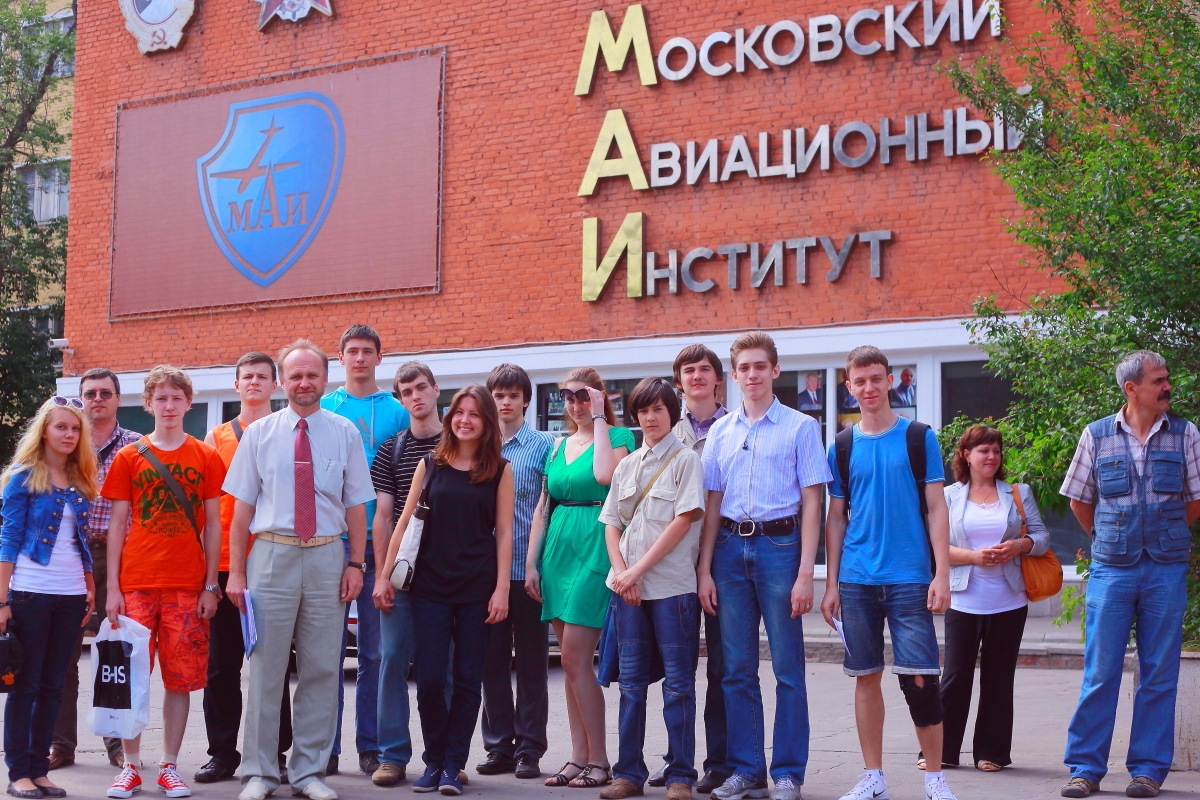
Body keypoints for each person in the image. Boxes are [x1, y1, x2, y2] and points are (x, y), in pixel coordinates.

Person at [223, 340, 374, 800]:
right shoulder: (260, 434)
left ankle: (309, 772)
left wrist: (356, 563)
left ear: (324, 379)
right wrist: (235, 573)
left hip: (328, 556)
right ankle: (260, 773)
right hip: (271, 555)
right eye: (295, 376)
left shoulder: (345, 432)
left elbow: (356, 505)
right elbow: (242, 509)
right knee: (265, 668)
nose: (304, 383)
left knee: (323, 668)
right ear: (281, 382)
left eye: (311, 375)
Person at [1058, 351, 1200, 799]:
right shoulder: (1097, 434)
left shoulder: (1185, 434)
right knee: (1100, 671)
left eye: (1166, 379)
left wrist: (1162, 535)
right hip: (1111, 569)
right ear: (1131, 388)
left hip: (1166, 568)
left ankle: (1148, 771)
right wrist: (1110, 536)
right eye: (1159, 380)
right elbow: (1079, 499)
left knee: (1159, 673)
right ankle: (1085, 769)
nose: (1167, 387)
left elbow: (1195, 499)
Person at [697, 332, 829, 800]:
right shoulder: (720, 432)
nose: (752, 375)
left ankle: (788, 773)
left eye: (760, 366)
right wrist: (704, 568)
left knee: (788, 670)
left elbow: (813, 502)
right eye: (744, 368)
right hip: (729, 549)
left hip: (780, 548)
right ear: (732, 377)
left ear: (775, 370)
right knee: (736, 669)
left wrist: (805, 573)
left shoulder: (801, 427)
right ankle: (747, 770)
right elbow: (712, 504)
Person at [820, 345, 955, 800]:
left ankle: (934, 779)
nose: (869, 387)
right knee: (866, 676)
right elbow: (835, 517)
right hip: (857, 578)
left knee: (920, 680)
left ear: (890, 381)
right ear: (849, 386)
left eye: (876, 378)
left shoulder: (919, 437)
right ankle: (873, 777)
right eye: (860, 381)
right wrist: (831, 584)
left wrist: (941, 573)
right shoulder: (841, 445)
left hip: (910, 578)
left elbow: (937, 508)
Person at [381, 385, 514, 795]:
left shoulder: (500, 470)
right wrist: (385, 575)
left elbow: (505, 533)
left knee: (469, 679)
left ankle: (454, 764)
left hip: (478, 589)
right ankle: (434, 761)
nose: (465, 420)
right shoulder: (430, 464)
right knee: (430, 680)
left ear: (486, 421)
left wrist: (502, 589)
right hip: (429, 587)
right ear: (449, 416)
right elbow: (405, 522)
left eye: (474, 414)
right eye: (459, 412)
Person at [103, 366, 225, 800]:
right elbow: (117, 524)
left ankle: (170, 766)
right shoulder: (128, 456)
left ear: (188, 403)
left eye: (176, 398)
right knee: (132, 680)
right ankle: (131, 766)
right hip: (136, 583)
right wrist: (112, 587)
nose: (169, 406)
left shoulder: (205, 456)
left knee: (180, 680)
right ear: (148, 403)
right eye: (161, 398)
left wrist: (211, 584)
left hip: (187, 586)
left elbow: (214, 524)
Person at [526, 367, 633, 789]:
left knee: (574, 658)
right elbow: (542, 508)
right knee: (573, 667)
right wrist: (531, 563)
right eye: (568, 397)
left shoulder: (619, 438)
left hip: (596, 544)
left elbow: (606, 477)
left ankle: (600, 760)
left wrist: (601, 416)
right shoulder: (558, 445)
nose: (575, 405)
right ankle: (578, 757)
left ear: (599, 396)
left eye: (583, 396)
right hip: (557, 549)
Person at [600, 377, 705, 800]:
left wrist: (636, 572)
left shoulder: (685, 460)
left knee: (678, 685)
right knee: (630, 685)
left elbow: (683, 522)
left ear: (671, 413)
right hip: (627, 590)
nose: (650, 417)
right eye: (643, 410)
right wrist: (621, 572)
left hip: (672, 589)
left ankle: (680, 776)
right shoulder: (626, 465)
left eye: (658, 409)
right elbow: (611, 523)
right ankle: (627, 774)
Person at [195, 353, 294, 785]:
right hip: (222, 566)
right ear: (236, 385)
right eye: (247, 376)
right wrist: (205, 576)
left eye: (262, 376)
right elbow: (206, 508)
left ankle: (275, 752)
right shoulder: (215, 437)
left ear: (275, 384)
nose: (254, 382)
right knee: (221, 665)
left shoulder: (288, 431)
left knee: (274, 665)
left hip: (273, 560)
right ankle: (222, 753)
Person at [320, 324, 410, 778]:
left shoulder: (396, 411)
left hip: (383, 545)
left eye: (366, 351)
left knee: (376, 654)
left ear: (379, 357)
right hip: (332, 542)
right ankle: (327, 747)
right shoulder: (324, 407)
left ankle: (372, 747)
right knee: (327, 654)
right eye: (352, 351)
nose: (359, 358)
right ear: (340, 358)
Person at [936, 425, 1049, 772]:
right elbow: (936, 549)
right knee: (955, 676)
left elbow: (1043, 537)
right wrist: (974, 557)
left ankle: (992, 753)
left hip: (1009, 601)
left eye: (996, 451)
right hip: (964, 601)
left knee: (999, 678)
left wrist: (1019, 545)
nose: (991, 457)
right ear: (966, 455)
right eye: (984, 450)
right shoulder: (948, 496)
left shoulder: (1018, 493)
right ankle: (941, 751)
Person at [0, 397, 98, 799]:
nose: (69, 435)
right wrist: (2, 600)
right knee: (26, 685)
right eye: (61, 427)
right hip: (30, 594)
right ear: (43, 431)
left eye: (75, 429)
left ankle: (39, 770)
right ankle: (18, 773)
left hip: (70, 595)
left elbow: (81, 541)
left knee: (53, 686)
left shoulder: (80, 479)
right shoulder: (23, 477)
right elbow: (8, 538)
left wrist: (89, 585)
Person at [51, 369, 140, 772]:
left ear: (119, 399)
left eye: (106, 393)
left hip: (120, 557)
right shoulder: (66, 444)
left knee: (114, 653)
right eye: (90, 393)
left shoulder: (137, 446)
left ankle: (118, 744)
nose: (98, 399)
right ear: (81, 399)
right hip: (71, 558)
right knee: (63, 654)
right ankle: (61, 744)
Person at [649, 344, 729, 795]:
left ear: (718, 378)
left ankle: (719, 762)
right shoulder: (664, 429)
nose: (696, 376)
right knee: (677, 671)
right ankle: (676, 761)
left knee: (721, 665)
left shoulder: (734, 428)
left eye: (704, 369)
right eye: (688, 370)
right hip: (674, 566)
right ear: (678, 381)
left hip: (722, 562)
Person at [477, 364, 554, 780]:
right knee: (490, 664)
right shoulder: (478, 444)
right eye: (498, 395)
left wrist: (535, 564)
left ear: (526, 400)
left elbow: (548, 505)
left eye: (512, 395)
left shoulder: (544, 446)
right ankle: (498, 747)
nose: (505, 402)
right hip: (486, 574)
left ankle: (529, 748)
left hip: (528, 571)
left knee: (531, 664)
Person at [369, 361, 443, 787]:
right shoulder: (391, 450)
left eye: (421, 388)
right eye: (406, 392)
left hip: (450, 575)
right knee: (392, 661)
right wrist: (382, 575)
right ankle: (392, 756)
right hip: (402, 572)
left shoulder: (461, 442)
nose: (415, 396)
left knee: (443, 668)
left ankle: (444, 755)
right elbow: (383, 516)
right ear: (400, 400)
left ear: (435, 390)